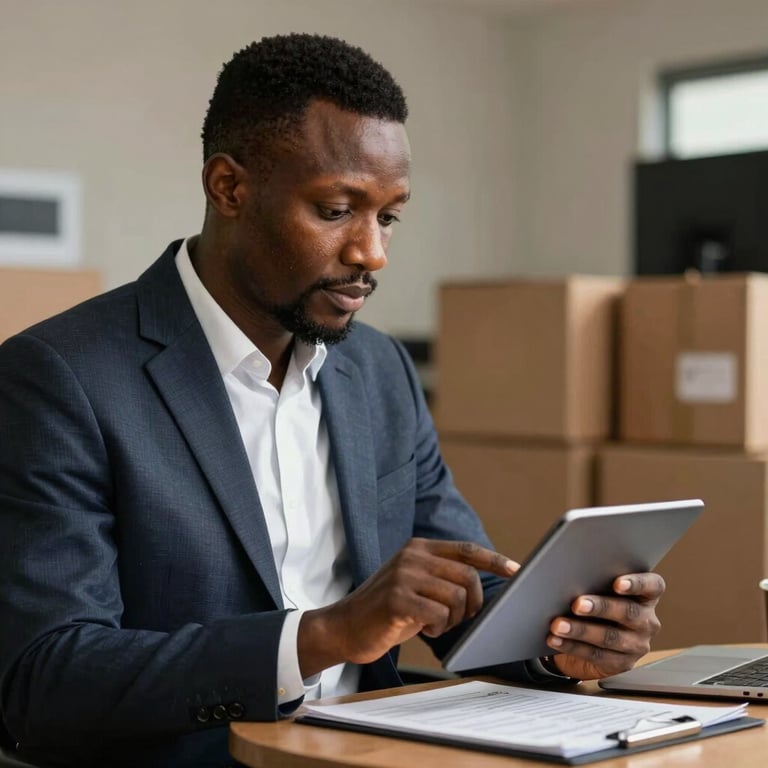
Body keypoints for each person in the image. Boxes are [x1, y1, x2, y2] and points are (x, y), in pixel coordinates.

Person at [0, 33, 664, 768]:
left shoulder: (378, 369)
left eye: (388, 217)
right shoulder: (60, 378)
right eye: (338, 209)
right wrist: (324, 635)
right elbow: (45, 682)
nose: (372, 253)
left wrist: (564, 642)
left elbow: (459, 595)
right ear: (229, 188)